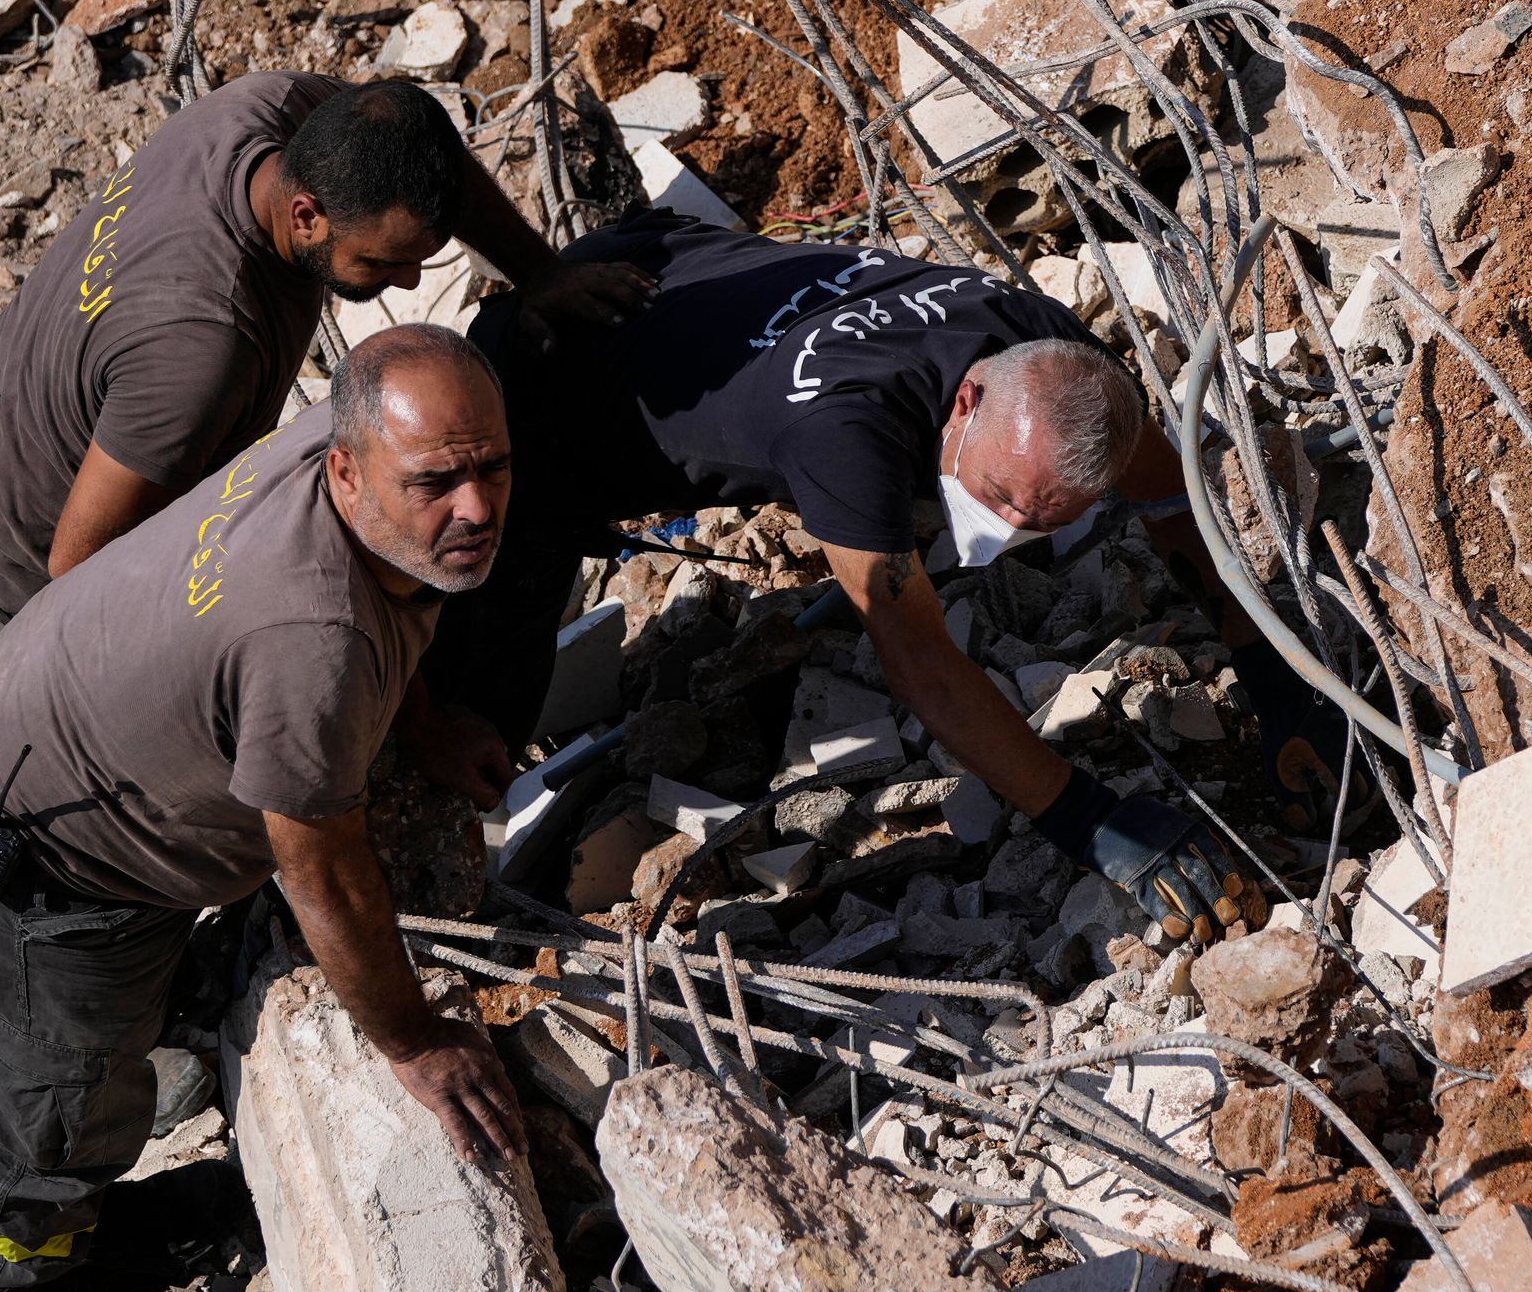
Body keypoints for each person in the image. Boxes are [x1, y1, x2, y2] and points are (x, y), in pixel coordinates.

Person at [0, 323, 528, 1292]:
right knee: (54, 1101)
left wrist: (420, 728)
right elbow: (321, 874)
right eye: (439, 481)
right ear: (347, 465)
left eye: (492, 468)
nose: (475, 508)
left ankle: (76, 1146)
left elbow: (405, 607)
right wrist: (413, 1040)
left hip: (84, 792)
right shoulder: (309, 633)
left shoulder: (350, 485)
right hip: (42, 863)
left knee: (73, 1053)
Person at [418, 216, 1312, 929]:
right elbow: (922, 666)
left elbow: (1168, 505)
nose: (1007, 528)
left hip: (674, 270)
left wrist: (1270, 668)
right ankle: (425, 901)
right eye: (1000, 493)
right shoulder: (847, 436)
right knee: (477, 702)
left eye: (1048, 517)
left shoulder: (1047, 349)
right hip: (536, 392)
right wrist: (1089, 819)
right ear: (967, 400)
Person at [0, 72, 648, 653]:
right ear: (307, 216)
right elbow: (80, 566)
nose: (412, 283)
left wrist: (541, 273)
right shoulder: (208, 343)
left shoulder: (279, 110)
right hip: (12, 566)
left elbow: (431, 158)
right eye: (385, 262)